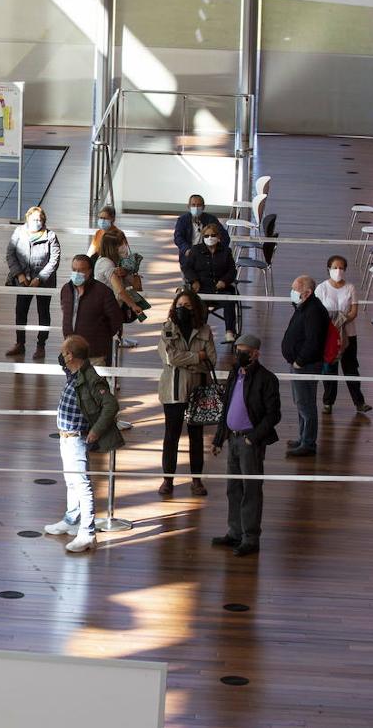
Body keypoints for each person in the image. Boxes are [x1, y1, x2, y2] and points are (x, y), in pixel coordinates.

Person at [43, 334, 124, 553]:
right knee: (71, 481)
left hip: (77, 437)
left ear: (70, 355)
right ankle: (71, 520)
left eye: (63, 352)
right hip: (65, 436)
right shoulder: (74, 373)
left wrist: (96, 431)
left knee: (82, 484)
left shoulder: (90, 378)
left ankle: (87, 532)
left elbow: (110, 405)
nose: (61, 355)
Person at [211, 334, 281, 557]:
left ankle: (250, 537)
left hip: (250, 442)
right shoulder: (234, 374)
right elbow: (227, 408)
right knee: (233, 489)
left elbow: (273, 415)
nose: (238, 355)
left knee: (250, 490)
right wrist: (219, 438)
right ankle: (234, 532)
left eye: (243, 352)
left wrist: (253, 437)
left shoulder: (267, 379)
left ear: (255, 354)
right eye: (237, 350)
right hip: (232, 438)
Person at [157, 290, 215, 496]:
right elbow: (169, 358)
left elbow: (211, 360)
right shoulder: (167, 329)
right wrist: (195, 357)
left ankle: (197, 480)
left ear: (196, 309)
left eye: (188, 306)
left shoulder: (205, 331)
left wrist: (188, 361)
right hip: (173, 391)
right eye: (180, 305)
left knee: (196, 437)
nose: (183, 309)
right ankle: (167, 480)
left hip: (198, 392)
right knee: (170, 436)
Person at [316, 255, 372, 415]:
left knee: (351, 368)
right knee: (329, 369)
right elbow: (318, 312)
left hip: (349, 334)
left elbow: (354, 312)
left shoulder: (350, 288)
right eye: (335, 267)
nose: (338, 271)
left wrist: (340, 320)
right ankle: (328, 402)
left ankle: (359, 402)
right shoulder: (321, 288)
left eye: (341, 268)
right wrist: (335, 321)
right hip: (329, 336)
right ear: (329, 269)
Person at [281, 275, 329, 458]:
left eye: (296, 290)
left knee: (306, 404)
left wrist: (299, 361)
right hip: (300, 365)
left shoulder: (314, 311)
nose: (292, 293)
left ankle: (308, 443)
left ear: (307, 293)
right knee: (301, 402)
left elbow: (313, 342)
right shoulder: (304, 306)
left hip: (306, 365)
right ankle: (303, 437)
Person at [4, 206, 61, 360]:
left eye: (40, 220)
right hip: (23, 280)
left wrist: (39, 278)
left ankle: (41, 345)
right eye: (34, 219)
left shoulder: (51, 237)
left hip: (44, 281)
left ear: (44, 221)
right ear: (27, 219)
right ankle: (19, 343)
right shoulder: (18, 232)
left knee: (43, 312)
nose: (37, 222)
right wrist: (20, 275)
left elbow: (54, 261)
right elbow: (10, 254)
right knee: (20, 311)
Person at [59, 255, 122, 366]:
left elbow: (115, 320)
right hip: (72, 354)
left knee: (96, 382)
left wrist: (101, 337)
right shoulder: (66, 290)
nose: (77, 273)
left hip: (96, 355)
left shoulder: (103, 292)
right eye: (74, 270)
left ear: (89, 271)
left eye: (81, 270)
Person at [183, 222, 239, 342]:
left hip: (221, 288)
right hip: (202, 288)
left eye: (213, 235)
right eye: (206, 236)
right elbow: (187, 268)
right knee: (200, 304)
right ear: (203, 238)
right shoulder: (195, 251)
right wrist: (194, 281)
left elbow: (232, 271)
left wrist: (224, 281)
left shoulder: (226, 251)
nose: (210, 238)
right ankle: (200, 331)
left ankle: (229, 332)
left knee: (229, 301)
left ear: (218, 237)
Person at [94, 230, 145, 321]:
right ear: (112, 247)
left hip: (111, 308)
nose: (125, 246)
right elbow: (120, 290)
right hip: (105, 310)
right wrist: (133, 305)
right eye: (122, 244)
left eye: (125, 243)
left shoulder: (115, 261)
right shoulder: (106, 263)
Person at [172, 194, 227, 265]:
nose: (196, 208)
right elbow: (178, 237)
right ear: (188, 207)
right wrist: (186, 250)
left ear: (203, 207)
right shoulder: (182, 220)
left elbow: (225, 237)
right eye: (193, 205)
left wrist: (217, 251)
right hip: (189, 257)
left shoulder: (211, 219)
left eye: (199, 205)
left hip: (208, 257)